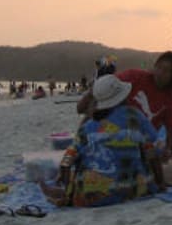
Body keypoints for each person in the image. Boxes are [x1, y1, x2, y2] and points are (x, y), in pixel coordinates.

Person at [46, 74, 164, 207]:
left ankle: (66, 195)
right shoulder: (135, 115)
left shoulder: (88, 126)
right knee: (144, 149)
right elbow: (154, 151)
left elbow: (66, 162)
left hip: (92, 196)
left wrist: (67, 185)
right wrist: (160, 183)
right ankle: (63, 194)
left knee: (81, 164)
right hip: (135, 190)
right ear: (123, 96)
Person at [78, 51, 172, 143]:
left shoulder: (171, 99)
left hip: (140, 142)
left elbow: (171, 130)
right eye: (159, 67)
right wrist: (84, 104)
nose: (160, 72)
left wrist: (166, 152)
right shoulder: (134, 76)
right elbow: (105, 86)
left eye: (166, 71)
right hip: (110, 128)